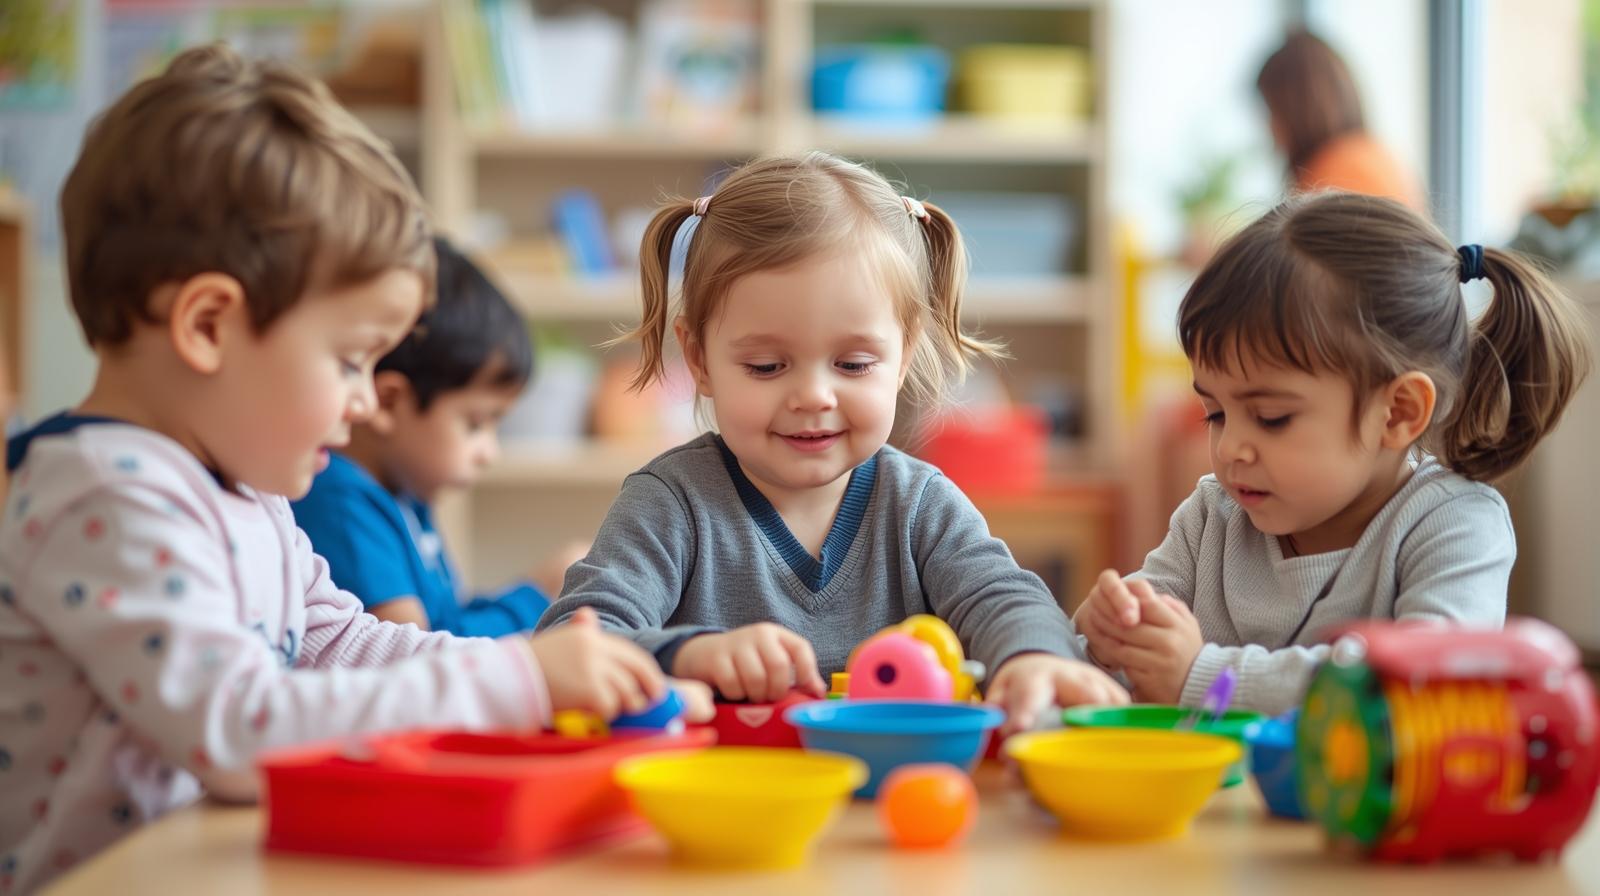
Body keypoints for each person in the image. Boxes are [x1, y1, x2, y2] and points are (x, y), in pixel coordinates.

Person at [0, 45, 704, 892]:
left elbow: (346, 644)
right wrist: (516, 678)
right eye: (349, 360)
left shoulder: (248, 494)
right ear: (209, 327)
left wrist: (538, 670)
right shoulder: (107, 498)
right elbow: (234, 732)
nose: (368, 403)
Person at [538, 152, 1129, 734]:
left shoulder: (919, 503)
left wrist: (1034, 658)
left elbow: (1003, 597)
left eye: (851, 364)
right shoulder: (671, 503)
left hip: (890, 799)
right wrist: (687, 655)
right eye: (768, 366)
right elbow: (573, 644)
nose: (813, 396)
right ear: (699, 359)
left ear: (902, 355)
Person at [1076, 191, 1591, 715]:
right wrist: (1106, 636)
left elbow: (1416, 689)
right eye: (1216, 414)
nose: (1230, 448)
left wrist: (1203, 677)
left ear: (1397, 413)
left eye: (1272, 418)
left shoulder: (1457, 527)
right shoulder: (1213, 517)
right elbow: (1123, 661)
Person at [293, 237, 580, 635]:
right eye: (476, 423)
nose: (489, 452)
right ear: (388, 402)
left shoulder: (401, 496)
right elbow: (420, 654)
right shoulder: (342, 504)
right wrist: (539, 596)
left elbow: (446, 619)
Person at [1257, 30, 1425, 211]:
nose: (1269, 127)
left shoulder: (1333, 174)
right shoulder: (1372, 153)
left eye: (1272, 111)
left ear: (1296, 111)